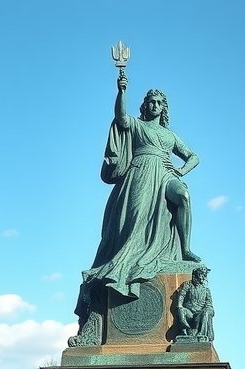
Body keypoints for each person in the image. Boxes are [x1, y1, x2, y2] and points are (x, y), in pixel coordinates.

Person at [74, 70, 201, 328]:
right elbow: (121, 118)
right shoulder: (138, 125)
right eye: (150, 102)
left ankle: (185, 249)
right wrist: (122, 90)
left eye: (159, 102)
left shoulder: (170, 136)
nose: (154, 105)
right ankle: (127, 259)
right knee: (135, 223)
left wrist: (180, 170)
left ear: (164, 108)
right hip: (141, 174)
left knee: (184, 196)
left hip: (165, 175)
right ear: (146, 105)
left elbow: (193, 156)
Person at [174, 266, 214, 341]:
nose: (203, 276)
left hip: (199, 314)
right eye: (201, 274)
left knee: (206, 312)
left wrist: (207, 309)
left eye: (204, 275)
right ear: (196, 275)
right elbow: (182, 294)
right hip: (189, 312)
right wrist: (179, 305)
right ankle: (183, 332)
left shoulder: (206, 290)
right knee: (181, 311)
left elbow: (209, 304)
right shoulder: (187, 284)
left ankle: (200, 334)